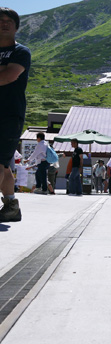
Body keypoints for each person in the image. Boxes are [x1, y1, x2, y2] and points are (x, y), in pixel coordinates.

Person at [0, 8, 31, 222]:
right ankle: (11, 206)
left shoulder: (21, 52)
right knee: (4, 166)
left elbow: (9, 76)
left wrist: (4, 70)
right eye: (0, 20)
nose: (4, 24)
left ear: (16, 26)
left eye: (9, 21)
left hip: (9, 113)